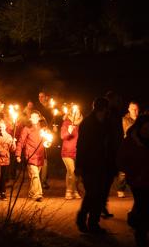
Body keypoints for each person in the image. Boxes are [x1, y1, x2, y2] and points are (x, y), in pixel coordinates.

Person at [76, 97, 119, 234]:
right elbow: (81, 146)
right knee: (92, 194)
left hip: (105, 165)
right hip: (90, 165)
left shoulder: (108, 123)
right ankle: (82, 218)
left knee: (100, 196)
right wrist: (80, 165)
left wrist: (114, 164)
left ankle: (93, 224)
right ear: (103, 109)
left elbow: (113, 145)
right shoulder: (87, 123)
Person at [117, 114, 149, 247]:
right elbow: (122, 160)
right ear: (140, 126)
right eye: (146, 127)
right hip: (138, 181)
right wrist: (133, 172)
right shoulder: (130, 141)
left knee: (143, 208)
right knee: (143, 208)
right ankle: (141, 240)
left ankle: (134, 220)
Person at [15, 112, 46, 202]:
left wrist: (47, 143)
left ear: (39, 118)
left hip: (40, 155)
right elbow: (20, 141)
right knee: (35, 175)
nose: (34, 119)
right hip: (30, 155)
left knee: (33, 176)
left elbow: (46, 140)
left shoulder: (43, 128)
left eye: (36, 117)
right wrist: (18, 154)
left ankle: (31, 192)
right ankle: (38, 194)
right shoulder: (27, 129)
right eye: (32, 117)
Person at [60, 108, 83, 200]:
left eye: (78, 112)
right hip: (67, 152)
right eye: (74, 112)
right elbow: (62, 136)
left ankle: (75, 190)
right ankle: (69, 191)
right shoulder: (66, 123)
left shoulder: (82, 124)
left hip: (78, 151)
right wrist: (69, 131)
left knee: (73, 173)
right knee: (72, 171)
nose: (76, 113)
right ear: (70, 113)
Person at [118, 101, 140, 198]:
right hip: (128, 146)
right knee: (124, 170)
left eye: (136, 109)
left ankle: (136, 189)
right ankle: (120, 189)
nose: (135, 111)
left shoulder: (141, 119)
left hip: (138, 147)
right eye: (132, 109)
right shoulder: (125, 120)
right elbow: (126, 132)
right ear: (129, 109)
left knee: (137, 169)